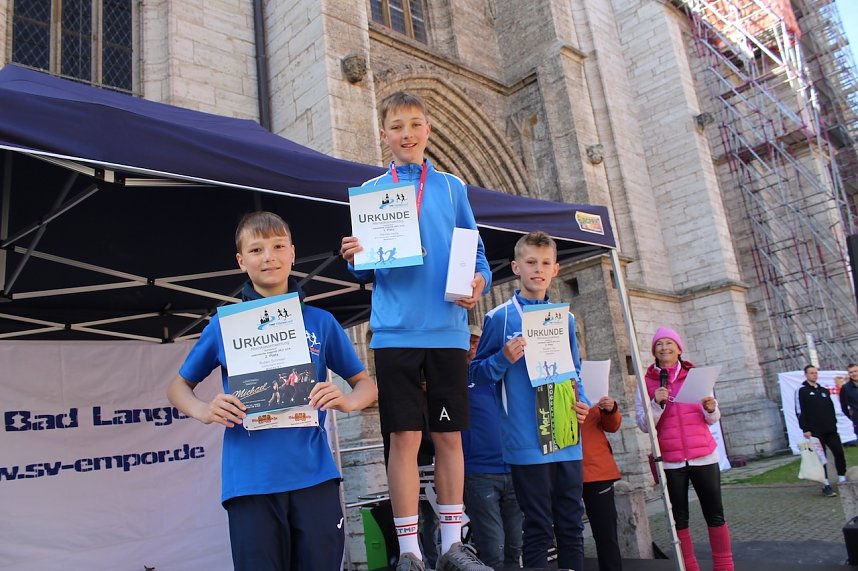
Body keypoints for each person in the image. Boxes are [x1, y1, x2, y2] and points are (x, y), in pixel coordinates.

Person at [167, 211, 378, 571]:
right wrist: (204, 410)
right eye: (256, 249)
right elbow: (177, 387)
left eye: (278, 246)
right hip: (250, 482)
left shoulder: (320, 322)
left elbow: (367, 385)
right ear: (241, 261)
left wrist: (345, 400)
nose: (269, 256)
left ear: (293, 253)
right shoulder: (224, 326)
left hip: (314, 477)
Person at [340, 91, 492, 571]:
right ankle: (409, 552)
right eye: (396, 126)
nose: (406, 134)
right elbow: (366, 274)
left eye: (415, 124)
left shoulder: (452, 188)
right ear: (383, 134)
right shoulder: (371, 191)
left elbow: (480, 255)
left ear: (428, 130)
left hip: (447, 331)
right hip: (394, 334)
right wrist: (355, 258)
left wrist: (477, 282)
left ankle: (451, 545)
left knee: (449, 437)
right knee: (403, 438)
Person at [469, 230, 590, 571]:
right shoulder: (499, 318)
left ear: (556, 270)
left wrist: (584, 402)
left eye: (546, 263)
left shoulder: (564, 319)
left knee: (571, 525)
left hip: (566, 437)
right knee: (536, 529)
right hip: (524, 441)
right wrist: (502, 359)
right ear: (515, 267)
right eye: (531, 262)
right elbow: (475, 376)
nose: (538, 269)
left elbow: (575, 372)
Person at [635, 327, 734, 571]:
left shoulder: (695, 376)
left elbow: (712, 419)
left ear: (679, 348)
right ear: (654, 351)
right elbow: (643, 424)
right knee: (679, 519)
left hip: (703, 456)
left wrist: (711, 408)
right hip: (670, 460)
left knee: (715, 514)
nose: (664, 347)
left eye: (669, 343)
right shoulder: (645, 381)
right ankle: (689, 566)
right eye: (659, 344)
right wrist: (656, 405)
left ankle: (724, 565)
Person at [461, 323, 523, 568]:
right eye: (470, 340)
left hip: (516, 468)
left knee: (515, 546)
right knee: (492, 549)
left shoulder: (509, 375)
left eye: (479, 340)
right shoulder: (457, 379)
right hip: (480, 472)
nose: (475, 344)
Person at [581, 394, 623, 571]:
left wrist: (610, 408)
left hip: (596, 470)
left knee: (606, 533)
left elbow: (612, 426)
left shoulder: (589, 385)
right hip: (560, 469)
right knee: (567, 533)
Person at [796, 364, 848, 497]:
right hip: (815, 431)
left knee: (839, 452)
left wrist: (834, 423)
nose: (814, 375)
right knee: (821, 458)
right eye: (812, 373)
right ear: (806, 375)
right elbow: (799, 410)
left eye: (816, 373)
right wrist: (805, 429)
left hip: (830, 429)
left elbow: (830, 408)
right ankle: (826, 484)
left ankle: (842, 477)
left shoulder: (823, 390)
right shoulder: (802, 390)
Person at [838, 363, 858, 441]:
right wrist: (853, 418)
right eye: (851, 372)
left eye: (855, 371)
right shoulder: (845, 388)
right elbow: (844, 406)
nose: (854, 374)